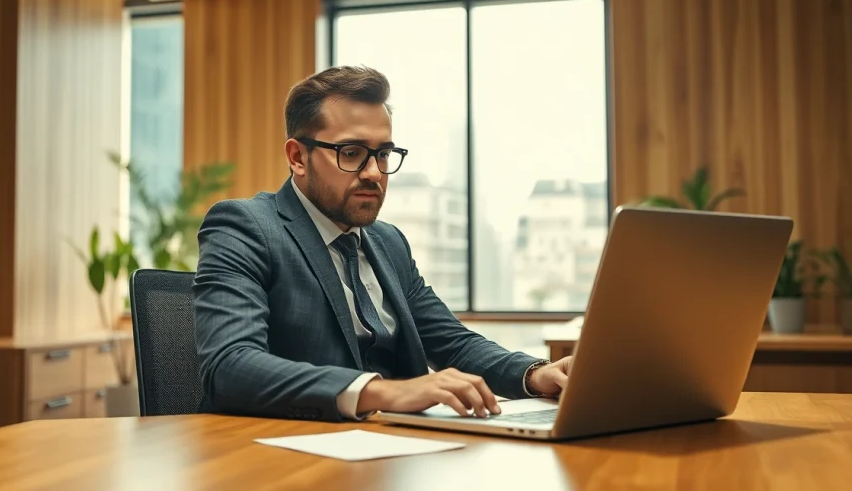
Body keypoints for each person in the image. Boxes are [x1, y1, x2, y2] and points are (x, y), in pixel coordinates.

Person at [193, 65, 574, 422]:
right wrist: (384, 394)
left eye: (384, 154)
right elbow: (230, 365)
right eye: (352, 153)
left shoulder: (388, 241)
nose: (374, 173)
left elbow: (451, 343)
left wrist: (536, 373)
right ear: (298, 157)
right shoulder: (246, 226)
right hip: (282, 452)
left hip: (393, 448)